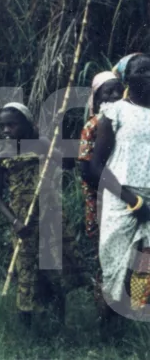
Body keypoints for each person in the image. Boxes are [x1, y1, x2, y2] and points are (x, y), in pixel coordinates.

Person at [0, 102, 83, 326]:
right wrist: (14, 221)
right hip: (22, 222)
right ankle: (27, 325)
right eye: (2, 126)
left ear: (26, 124)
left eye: (11, 125)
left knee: (54, 266)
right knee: (26, 269)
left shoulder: (42, 145)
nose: (6, 131)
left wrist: (57, 138)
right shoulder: (1, 155)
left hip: (50, 216)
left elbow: (69, 163)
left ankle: (58, 320)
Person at [90, 53, 150, 317]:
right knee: (114, 262)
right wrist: (132, 200)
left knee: (144, 262)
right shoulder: (115, 111)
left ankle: (137, 315)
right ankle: (109, 320)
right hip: (121, 198)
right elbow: (96, 166)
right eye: (142, 71)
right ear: (127, 78)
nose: (148, 76)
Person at [77, 72, 124, 319]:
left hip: (126, 199)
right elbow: (87, 169)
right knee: (105, 255)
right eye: (108, 92)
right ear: (96, 98)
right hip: (101, 199)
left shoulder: (129, 122)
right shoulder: (93, 126)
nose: (115, 96)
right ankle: (105, 313)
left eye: (119, 90)